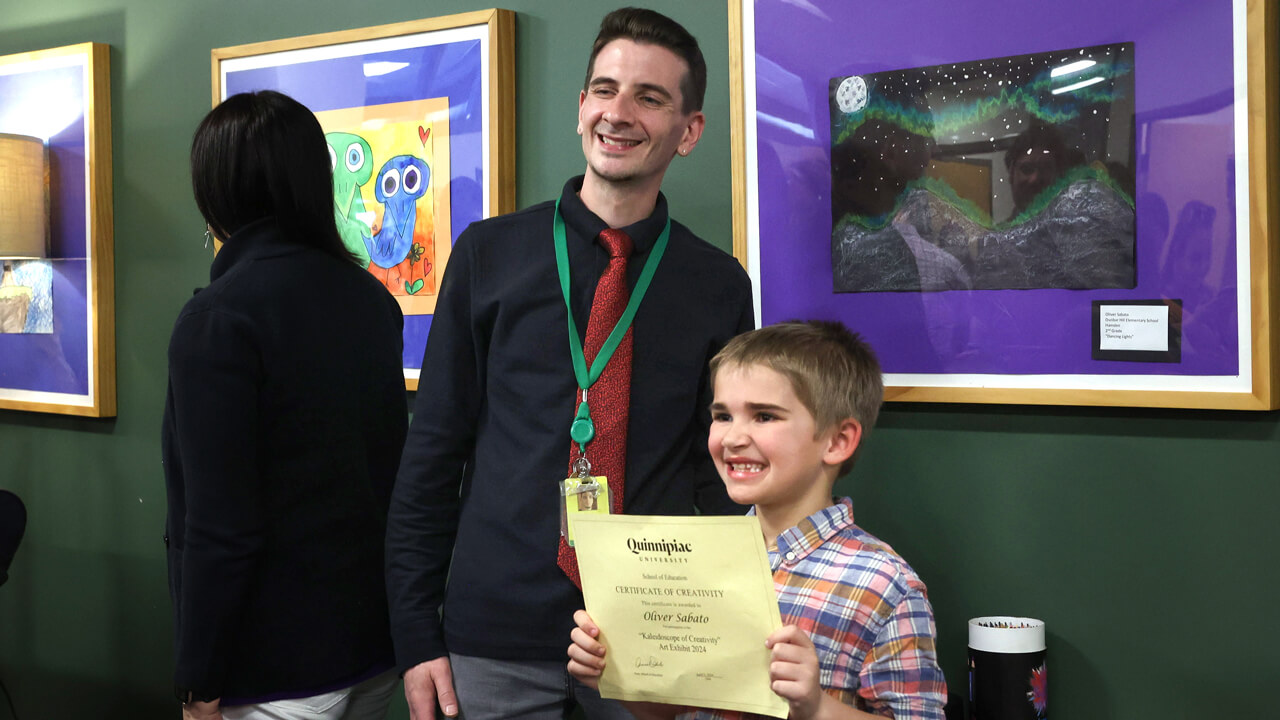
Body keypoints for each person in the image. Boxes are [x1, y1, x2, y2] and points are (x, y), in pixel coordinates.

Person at [385, 7, 754, 720]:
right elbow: (432, 453)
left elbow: (726, 472)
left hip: (652, 634)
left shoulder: (718, 285)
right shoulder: (488, 255)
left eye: (650, 97)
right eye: (605, 90)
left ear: (690, 131)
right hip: (494, 633)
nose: (620, 113)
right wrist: (414, 635)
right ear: (581, 105)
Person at [162, 90, 408, 720]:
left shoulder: (218, 318)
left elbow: (220, 525)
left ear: (214, 188)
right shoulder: (372, 302)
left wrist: (198, 685)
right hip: (374, 648)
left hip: (273, 670)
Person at [567, 321, 947, 719]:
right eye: (722, 416)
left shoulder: (885, 584)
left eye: (764, 416)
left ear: (837, 441)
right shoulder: (696, 561)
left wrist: (816, 707)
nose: (732, 438)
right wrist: (616, 674)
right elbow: (674, 708)